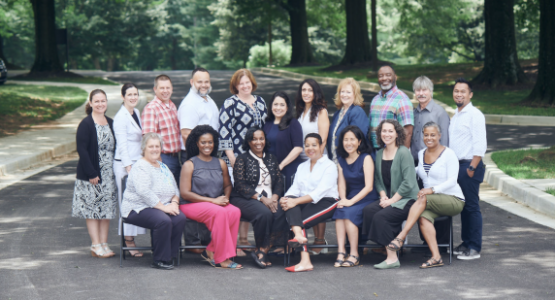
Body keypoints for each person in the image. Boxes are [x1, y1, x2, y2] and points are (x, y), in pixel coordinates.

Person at [385, 122, 465, 268]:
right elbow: (417, 171)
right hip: (431, 201)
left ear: (439, 136)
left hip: (453, 199)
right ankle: (436, 257)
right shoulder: (422, 153)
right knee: (423, 217)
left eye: (433, 135)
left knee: (423, 198)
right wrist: (402, 171)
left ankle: (401, 236)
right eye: (426, 135)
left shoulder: (449, 154)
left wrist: (432, 189)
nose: (429, 138)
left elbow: (452, 181)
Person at [219, 69, 268, 255]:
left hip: (256, 160)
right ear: (236, 86)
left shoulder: (261, 102)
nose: (245, 86)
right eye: (241, 83)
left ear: (252, 83)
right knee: (237, 198)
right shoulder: (230, 103)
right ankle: (234, 242)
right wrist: (233, 160)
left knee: (252, 197)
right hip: (236, 159)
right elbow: (224, 133)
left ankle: (244, 239)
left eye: (248, 82)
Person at [179, 125, 242, 269]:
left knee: (234, 211)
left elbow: (227, 185)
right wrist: (214, 201)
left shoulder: (220, 163)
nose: (207, 145)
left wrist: (225, 198)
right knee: (219, 212)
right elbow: (185, 193)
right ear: (197, 143)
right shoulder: (189, 164)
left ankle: (212, 249)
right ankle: (222, 259)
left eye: (210, 142)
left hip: (215, 203)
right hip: (191, 204)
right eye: (203, 142)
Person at [120, 133, 186, 270]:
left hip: (159, 207)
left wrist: (174, 202)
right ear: (144, 148)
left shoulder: (163, 166)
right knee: (163, 220)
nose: (155, 149)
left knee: (179, 217)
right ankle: (160, 259)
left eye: (157, 146)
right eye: (151, 146)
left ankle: (170, 254)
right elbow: (144, 192)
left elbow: (175, 189)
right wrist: (164, 208)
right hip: (137, 207)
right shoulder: (140, 166)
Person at [361, 119, 419, 270]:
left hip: (407, 199)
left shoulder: (403, 152)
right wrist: (382, 196)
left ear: (397, 133)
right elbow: (378, 180)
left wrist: (392, 200)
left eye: (390, 131)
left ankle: (392, 258)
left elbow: (409, 182)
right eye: (384, 131)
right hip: (389, 198)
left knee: (381, 216)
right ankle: (384, 245)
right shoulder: (380, 153)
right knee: (368, 210)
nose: (386, 134)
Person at [281, 133, 339, 272]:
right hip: (306, 201)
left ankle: (304, 256)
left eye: (314, 145)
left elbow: (319, 193)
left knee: (299, 221)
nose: (310, 148)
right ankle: (302, 248)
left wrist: (294, 201)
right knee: (291, 206)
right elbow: (295, 188)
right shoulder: (302, 166)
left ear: (320, 146)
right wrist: (286, 198)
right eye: (307, 145)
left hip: (327, 201)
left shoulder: (329, 166)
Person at [230, 127, 287, 268]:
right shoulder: (242, 159)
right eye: (254, 139)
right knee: (264, 213)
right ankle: (261, 249)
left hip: (270, 198)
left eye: (261, 138)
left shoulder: (271, 158)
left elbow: (279, 181)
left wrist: (274, 197)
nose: (258, 142)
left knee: (282, 211)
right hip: (245, 198)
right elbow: (240, 185)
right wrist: (262, 198)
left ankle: (262, 250)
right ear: (248, 141)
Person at [177, 67, 219, 254]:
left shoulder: (208, 100)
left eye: (206, 81)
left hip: (208, 156)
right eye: (199, 81)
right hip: (194, 157)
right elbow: (186, 134)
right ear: (191, 83)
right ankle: (193, 243)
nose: (203, 85)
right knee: (192, 198)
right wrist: (198, 160)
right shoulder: (189, 104)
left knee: (207, 196)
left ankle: (205, 239)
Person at [72, 89, 117, 258]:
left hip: (109, 175)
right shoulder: (86, 124)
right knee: (92, 210)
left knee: (106, 211)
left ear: (106, 102)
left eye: (103, 101)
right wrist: (91, 173)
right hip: (92, 175)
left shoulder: (111, 122)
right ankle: (95, 245)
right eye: (96, 101)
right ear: (90, 103)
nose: (100, 104)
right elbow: (82, 150)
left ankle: (104, 244)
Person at [410, 75, 451, 251]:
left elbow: (446, 141)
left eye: (424, 89)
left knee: (436, 204)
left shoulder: (439, 112)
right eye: (418, 90)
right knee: (420, 202)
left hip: (435, 165)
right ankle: (427, 242)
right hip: (416, 164)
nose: (421, 93)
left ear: (431, 91)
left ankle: (441, 244)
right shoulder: (413, 112)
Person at [449, 78, 487, 260]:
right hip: (457, 166)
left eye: (463, 91)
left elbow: (480, 144)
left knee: (471, 207)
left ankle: (474, 247)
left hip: (469, 165)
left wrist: (472, 167)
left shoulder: (475, 115)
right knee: (463, 207)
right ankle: (466, 242)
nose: (459, 94)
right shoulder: (456, 116)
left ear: (470, 95)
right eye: (456, 91)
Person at [333, 126, 379, 268]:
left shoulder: (366, 158)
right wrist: (343, 200)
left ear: (359, 142)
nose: (349, 143)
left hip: (368, 197)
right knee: (340, 211)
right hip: (351, 197)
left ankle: (354, 253)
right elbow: (342, 184)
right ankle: (341, 251)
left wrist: (350, 202)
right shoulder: (341, 159)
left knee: (348, 213)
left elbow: (369, 186)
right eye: (346, 139)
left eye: (352, 139)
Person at [295, 79, 330, 254]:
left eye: (309, 90)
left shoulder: (320, 111)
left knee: (318, 199)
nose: (306, 93)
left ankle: (319, 240)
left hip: (317, 159)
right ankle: (309, 239)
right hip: (302, 161)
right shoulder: (301, 111)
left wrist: (315, 160)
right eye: (303, 90)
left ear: (315, 92)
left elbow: (322, 139)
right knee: (306, 197)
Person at [113, 83, 147, 257]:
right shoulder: (120, 117)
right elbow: (122, 146)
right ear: (123, 97)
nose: (133, 97)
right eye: (129, 94)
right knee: (127, 204)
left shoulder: (136, 113)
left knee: (138, 203)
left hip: (137, 164)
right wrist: (130, 169)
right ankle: (129, 242)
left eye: (135, 94)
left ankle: (132, 238)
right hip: (124, 166)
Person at [141, 74, 181, 184]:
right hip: (162, 158)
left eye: (168, 88)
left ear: (172, 89)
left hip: (175, 158)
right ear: (155, 89)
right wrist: (157, 163)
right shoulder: (151, 108)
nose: (165, 91)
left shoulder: (172, 105)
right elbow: (148, 139)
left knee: (175, 192)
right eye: (162, 88)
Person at [263, 91, 303, 191]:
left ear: (287, 107)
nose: (278, 108)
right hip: (270, 170)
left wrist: (281, 165)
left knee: (285, 202)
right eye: (275, 104)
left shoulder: (293, 123)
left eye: (282, 105)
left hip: (288, 170)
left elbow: (298, 148)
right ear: (271, 106)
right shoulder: (267, 123)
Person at [368, 65, 414, 150]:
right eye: (381, 76)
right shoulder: (375, 99)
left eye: (388, 75)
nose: (384, 78)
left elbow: (407, 132)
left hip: (392, 153)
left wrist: (400, 157)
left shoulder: (402, 99)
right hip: (374, 152)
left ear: (395, 77)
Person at [328, 78, 369, 163]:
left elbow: (358, 141)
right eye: (342, 92)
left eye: (348, 92)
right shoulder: (338, 113)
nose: (344, 95)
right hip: (335, 161)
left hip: (350, 163)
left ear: (355, 94)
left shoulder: (357, 112)